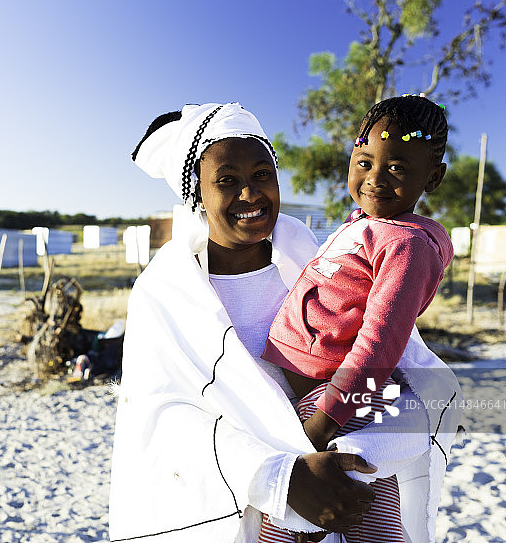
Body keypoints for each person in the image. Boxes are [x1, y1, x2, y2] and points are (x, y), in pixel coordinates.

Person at [108, 102, 462, 543]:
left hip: (346, 492)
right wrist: (284, 480)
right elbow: (160, 423)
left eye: (261, 175)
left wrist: (348, 452)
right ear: (197, 193)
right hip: (242, 513)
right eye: (227, 181)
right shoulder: (165, 295)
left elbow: (403, 378)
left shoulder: (319, 261)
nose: (249, 194)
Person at [260, 95, 453, 542]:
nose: (375, 179)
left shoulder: (408, 246)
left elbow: (379, 345)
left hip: (342, 405)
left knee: (294, 521)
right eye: (365, 161)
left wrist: (323, 423)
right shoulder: (361, 225)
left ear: (434, 176)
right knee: (358, 516)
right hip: (327, 400)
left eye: (398, 167)